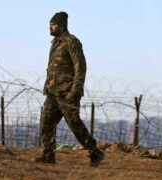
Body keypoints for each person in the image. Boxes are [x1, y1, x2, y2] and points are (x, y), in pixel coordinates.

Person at [35, 11, 104, 167]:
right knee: (46, 122)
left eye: (53, 25)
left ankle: (96, 152)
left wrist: (75, 90)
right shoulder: (55, 43)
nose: (50, 28)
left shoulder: (72, 42)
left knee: (75, 125)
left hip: (67, 93)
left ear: (61, 26)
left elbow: (81, 67)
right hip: (52, 92)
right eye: (49, 25)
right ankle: (48, 155)